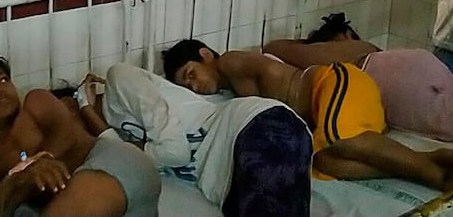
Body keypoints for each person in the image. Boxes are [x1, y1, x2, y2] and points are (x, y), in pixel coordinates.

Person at [162, 39, 453, 195]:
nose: (196, 86)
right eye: (186, 85)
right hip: (336, 105)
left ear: (206, 55)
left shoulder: (230, 63)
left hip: (333, 84)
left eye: (191, 74)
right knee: (325, 163)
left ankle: (438, 176)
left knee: (339, 139)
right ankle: (436, 158)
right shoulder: (231, 86)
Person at [263, 12, 453, 152]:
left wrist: (308, 47)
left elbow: (275, 47)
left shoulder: (351, 52)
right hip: (428, 67)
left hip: (402, 87)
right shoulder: (379, 50)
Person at [74, 63, 312, 217]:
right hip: (224, 182)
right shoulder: (121, 141)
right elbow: (129, 161)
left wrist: (88, 112)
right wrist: (101, 130)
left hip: (252, 125)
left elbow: (175, 152)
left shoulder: (120, 78)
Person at [0, 52, 161, 217]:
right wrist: (14, 184)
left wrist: (33, 165)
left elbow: (64, 134)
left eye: (3, 80)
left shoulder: (35, 103)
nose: (1, 91)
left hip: (115, 165)